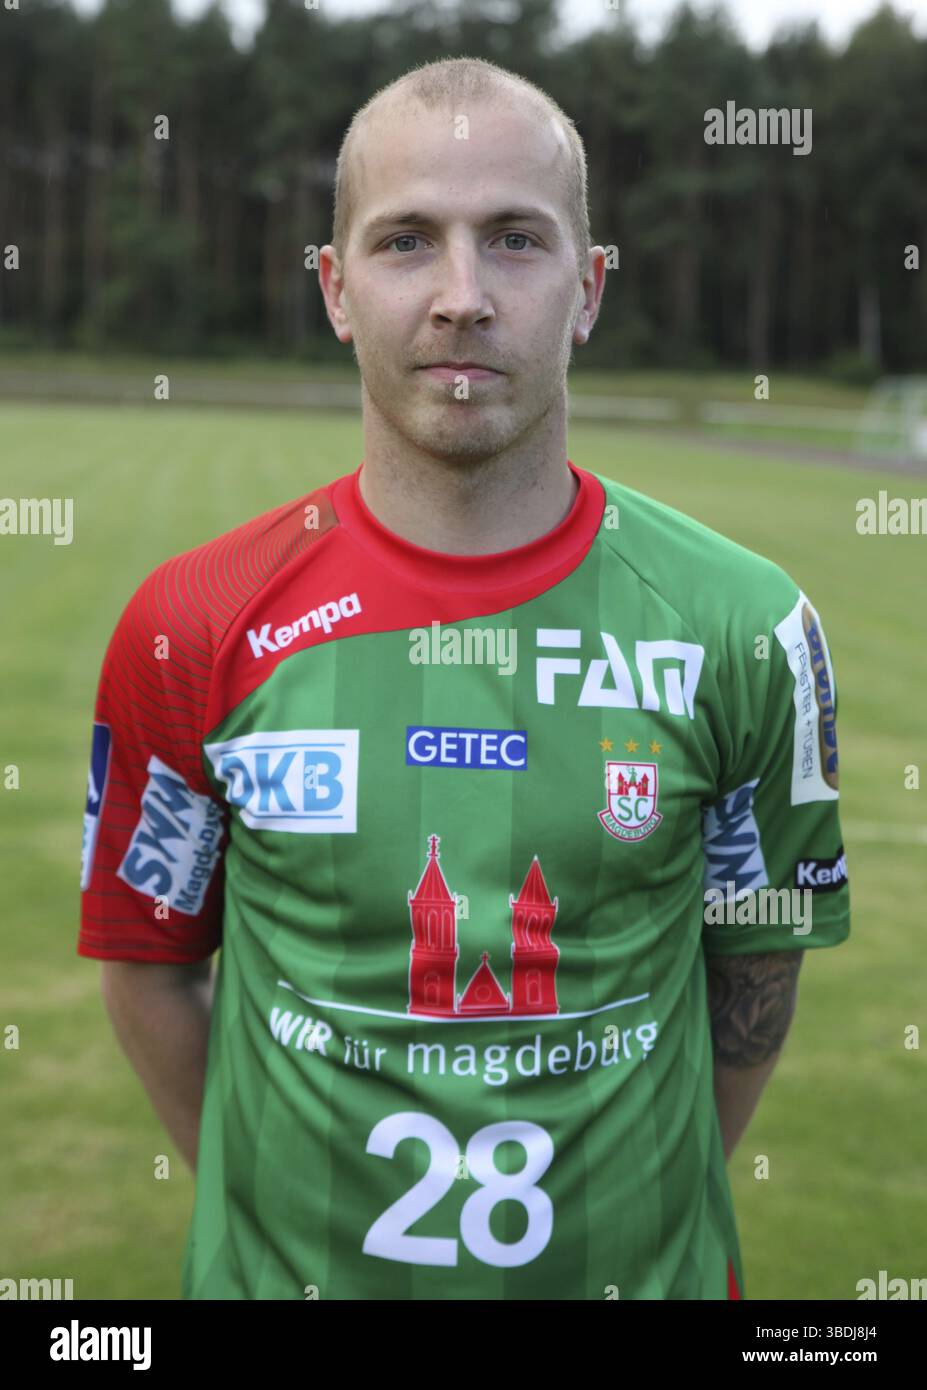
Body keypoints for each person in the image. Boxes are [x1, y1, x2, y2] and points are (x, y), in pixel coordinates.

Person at [78, 56, 849, 1300]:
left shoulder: (747, 627)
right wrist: (273, 1205)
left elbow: (754, 977)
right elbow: (150, 963)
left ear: (589, 290)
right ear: (335, 290)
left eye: (515, 239)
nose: (462, 297)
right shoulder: (191, 624)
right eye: (404, 242)